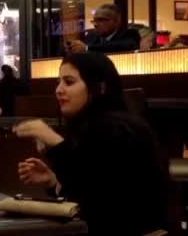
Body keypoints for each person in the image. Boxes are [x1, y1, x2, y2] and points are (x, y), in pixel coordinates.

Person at [13, 52, 170, 235]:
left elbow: (111, 203)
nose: (59, 90)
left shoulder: (121, 129)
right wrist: (53, 181)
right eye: (59, 82)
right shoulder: (88, 126)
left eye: (69, 82)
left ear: (99, 87)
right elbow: (90, 193)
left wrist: (54, 140)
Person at [67, 4, 140, 54]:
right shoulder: (91, 36)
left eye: (101, 20)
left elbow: (122, 46)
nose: (96, 24)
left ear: (116, 21)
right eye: (94, 21)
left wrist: (87, 48)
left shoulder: (130, 34)